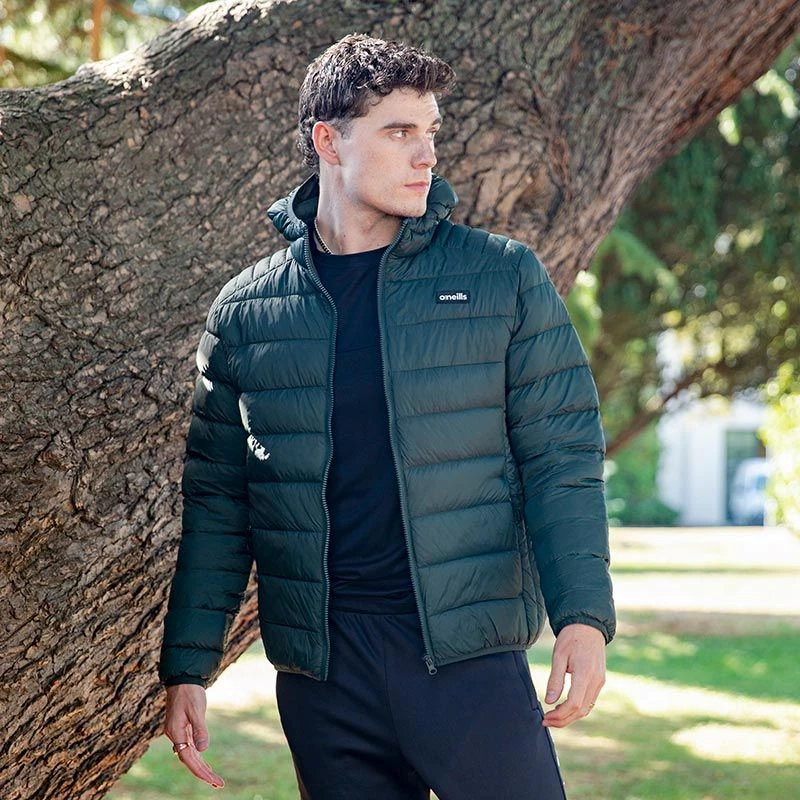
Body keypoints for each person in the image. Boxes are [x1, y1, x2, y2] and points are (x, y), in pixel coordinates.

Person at [158, 32, 615, 800]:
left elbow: (560, 458)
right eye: (400, 131)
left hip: (466, 663)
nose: (426, 154)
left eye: (430, 131)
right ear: (328, 141)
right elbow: (219, 504)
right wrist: (189, 666)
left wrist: (583, 617)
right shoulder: (246, 313)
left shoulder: (500, 278)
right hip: (324, 679)